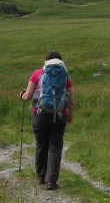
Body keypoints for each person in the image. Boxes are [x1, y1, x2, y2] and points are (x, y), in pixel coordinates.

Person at [20, 50, 75, 191]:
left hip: (39, 115)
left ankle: (41, 175)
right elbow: (71, 101)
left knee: (41, 144)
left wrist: (22, 95)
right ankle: (52, 181)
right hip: (59, 115)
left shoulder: (37, 74)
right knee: (55, 147)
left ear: (46, 62)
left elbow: (27, 97)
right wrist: (69, 116)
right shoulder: (65, 76)